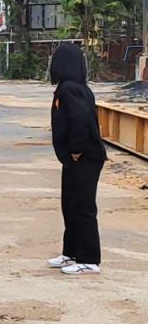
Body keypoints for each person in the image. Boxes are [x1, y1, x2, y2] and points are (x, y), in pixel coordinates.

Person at [48, 42, 107, 275]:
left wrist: (76, 148)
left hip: (84, 157)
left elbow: (80, 120)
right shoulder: (73, 88)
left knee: (83, 207)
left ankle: (89, 259)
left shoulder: (69, 89)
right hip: (73, 158)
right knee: (70, 205)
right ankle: (71, 252)